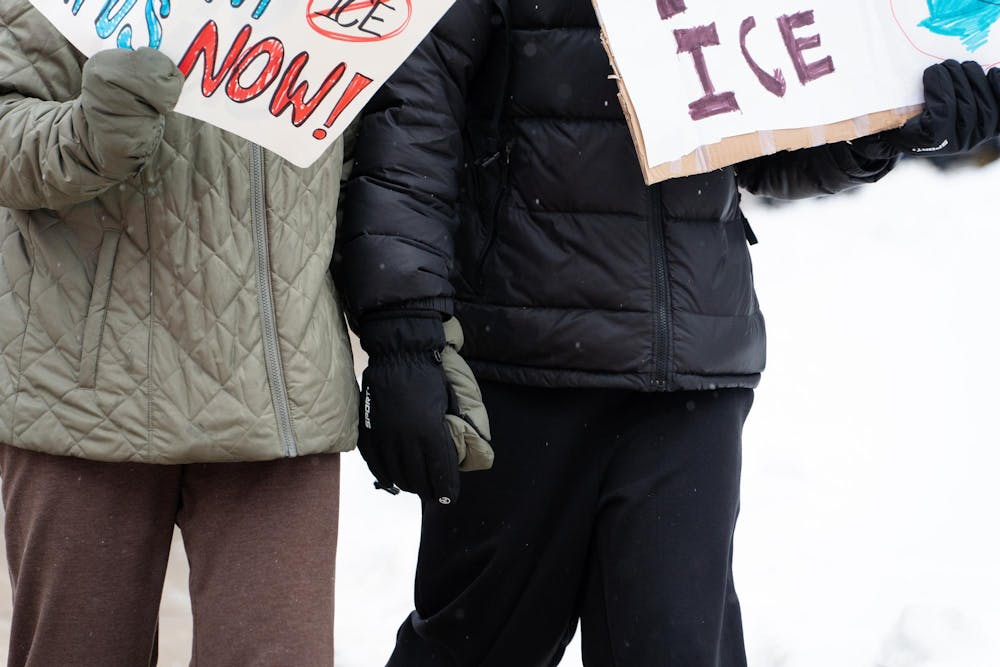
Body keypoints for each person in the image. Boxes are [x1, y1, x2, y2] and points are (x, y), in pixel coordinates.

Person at [336, 0, 1000, 665]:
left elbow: (771, 141)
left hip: (692, 370)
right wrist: (402, 340)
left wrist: (892, 124)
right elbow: (411, 133)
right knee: (477, 647)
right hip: (524, 362)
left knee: (675, 650)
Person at [0, 3, 358, 665]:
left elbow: (387, 162)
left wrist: (417, 336)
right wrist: (85, 135)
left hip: (278, 397)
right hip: (84, 395)